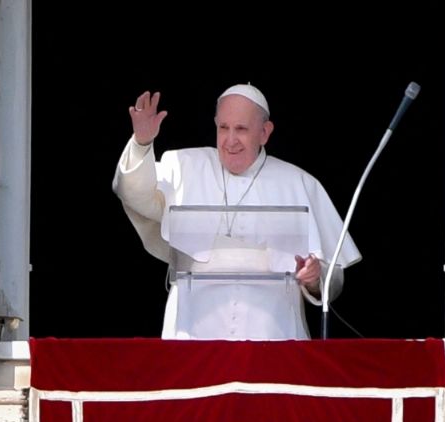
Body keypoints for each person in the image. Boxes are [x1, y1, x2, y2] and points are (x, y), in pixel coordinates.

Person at [113, 83, 361, 340]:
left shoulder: (299, 183)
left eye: (241, 129)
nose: (230, 141)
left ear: (265, 132)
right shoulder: (183, 166)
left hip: (275, 338)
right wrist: (142, 143)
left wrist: (314, 277)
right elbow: (133, 193)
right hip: (192, 336)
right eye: (223, 128)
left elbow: (334, 278)